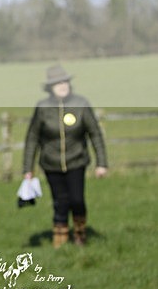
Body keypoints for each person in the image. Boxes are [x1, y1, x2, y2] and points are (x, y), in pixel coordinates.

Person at [22, 65, 108, 248]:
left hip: (77, 161)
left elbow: (95, 134)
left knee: (77, 200)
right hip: (51, 164)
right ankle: (59, 241)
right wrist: (27, 169)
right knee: (60, 201)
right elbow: (32, 138)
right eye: (57, 83)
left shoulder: (81, 104)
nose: (62, 85)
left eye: (65, 81)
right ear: (50, 87)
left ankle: (79, 234)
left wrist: (102, 163)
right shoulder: (42, 108)